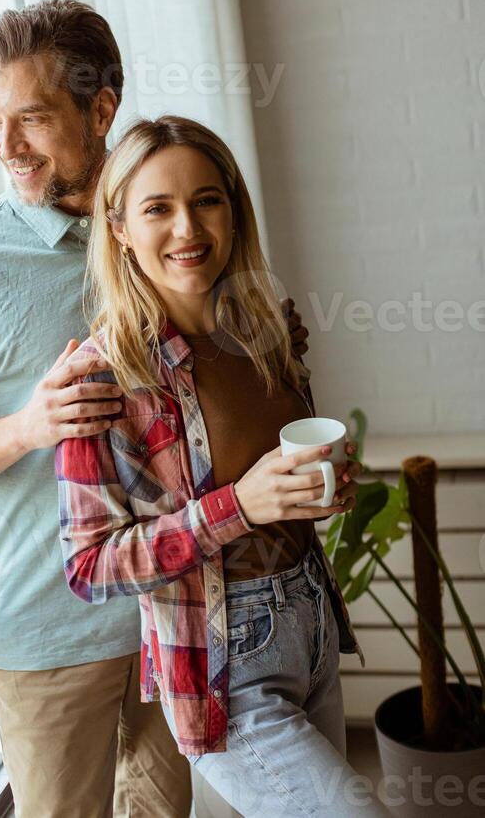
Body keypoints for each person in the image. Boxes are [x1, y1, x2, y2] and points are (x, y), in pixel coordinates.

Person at [0, 0, 309, 818]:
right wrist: (30, 426)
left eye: (31, 118)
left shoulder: (172, 230)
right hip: (51, 639)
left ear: (102, 108)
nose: (7, 148)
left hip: (180, 616)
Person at [56, 115, 391, 817]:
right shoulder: (100, 379)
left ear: (233, 208)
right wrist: (242, 505)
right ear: (118, 227)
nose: (188, 229)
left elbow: (277, 473)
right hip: (221, 664)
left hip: (310, 623)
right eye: (158, 208)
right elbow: (90, 567)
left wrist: (320, 491)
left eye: (207, 200)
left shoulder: (267, 329)